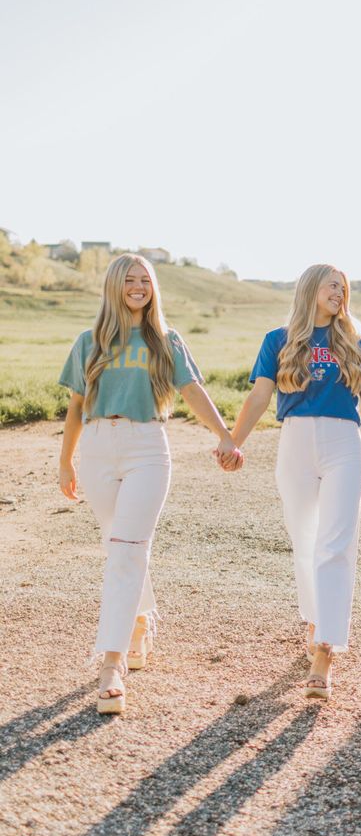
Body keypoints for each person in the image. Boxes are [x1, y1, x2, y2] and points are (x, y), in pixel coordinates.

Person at [58, 253, 241, 714]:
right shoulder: (90, 341)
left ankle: (111, 664)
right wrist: (66, 462)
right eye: (130, 280)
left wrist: (224, 435)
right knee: (119, 545)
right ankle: (139, 620)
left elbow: (192, 391)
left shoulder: (165, 339)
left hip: (146, 448)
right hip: (99, 447)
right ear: (115, 286)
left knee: (125, 549)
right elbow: (77, 406)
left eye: (145, 280)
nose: (138, 287)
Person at [222, 264, 361, 700]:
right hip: (296, 440)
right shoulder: (278, 339)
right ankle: (317, 618)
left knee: (335, 546)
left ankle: (325, 650)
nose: (339, 293)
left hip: (343, 441)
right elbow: (261, 394)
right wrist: (232, 441)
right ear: (310, 289)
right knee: (305, 541)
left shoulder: (353, 340)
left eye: (344, 287)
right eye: (332, 285)